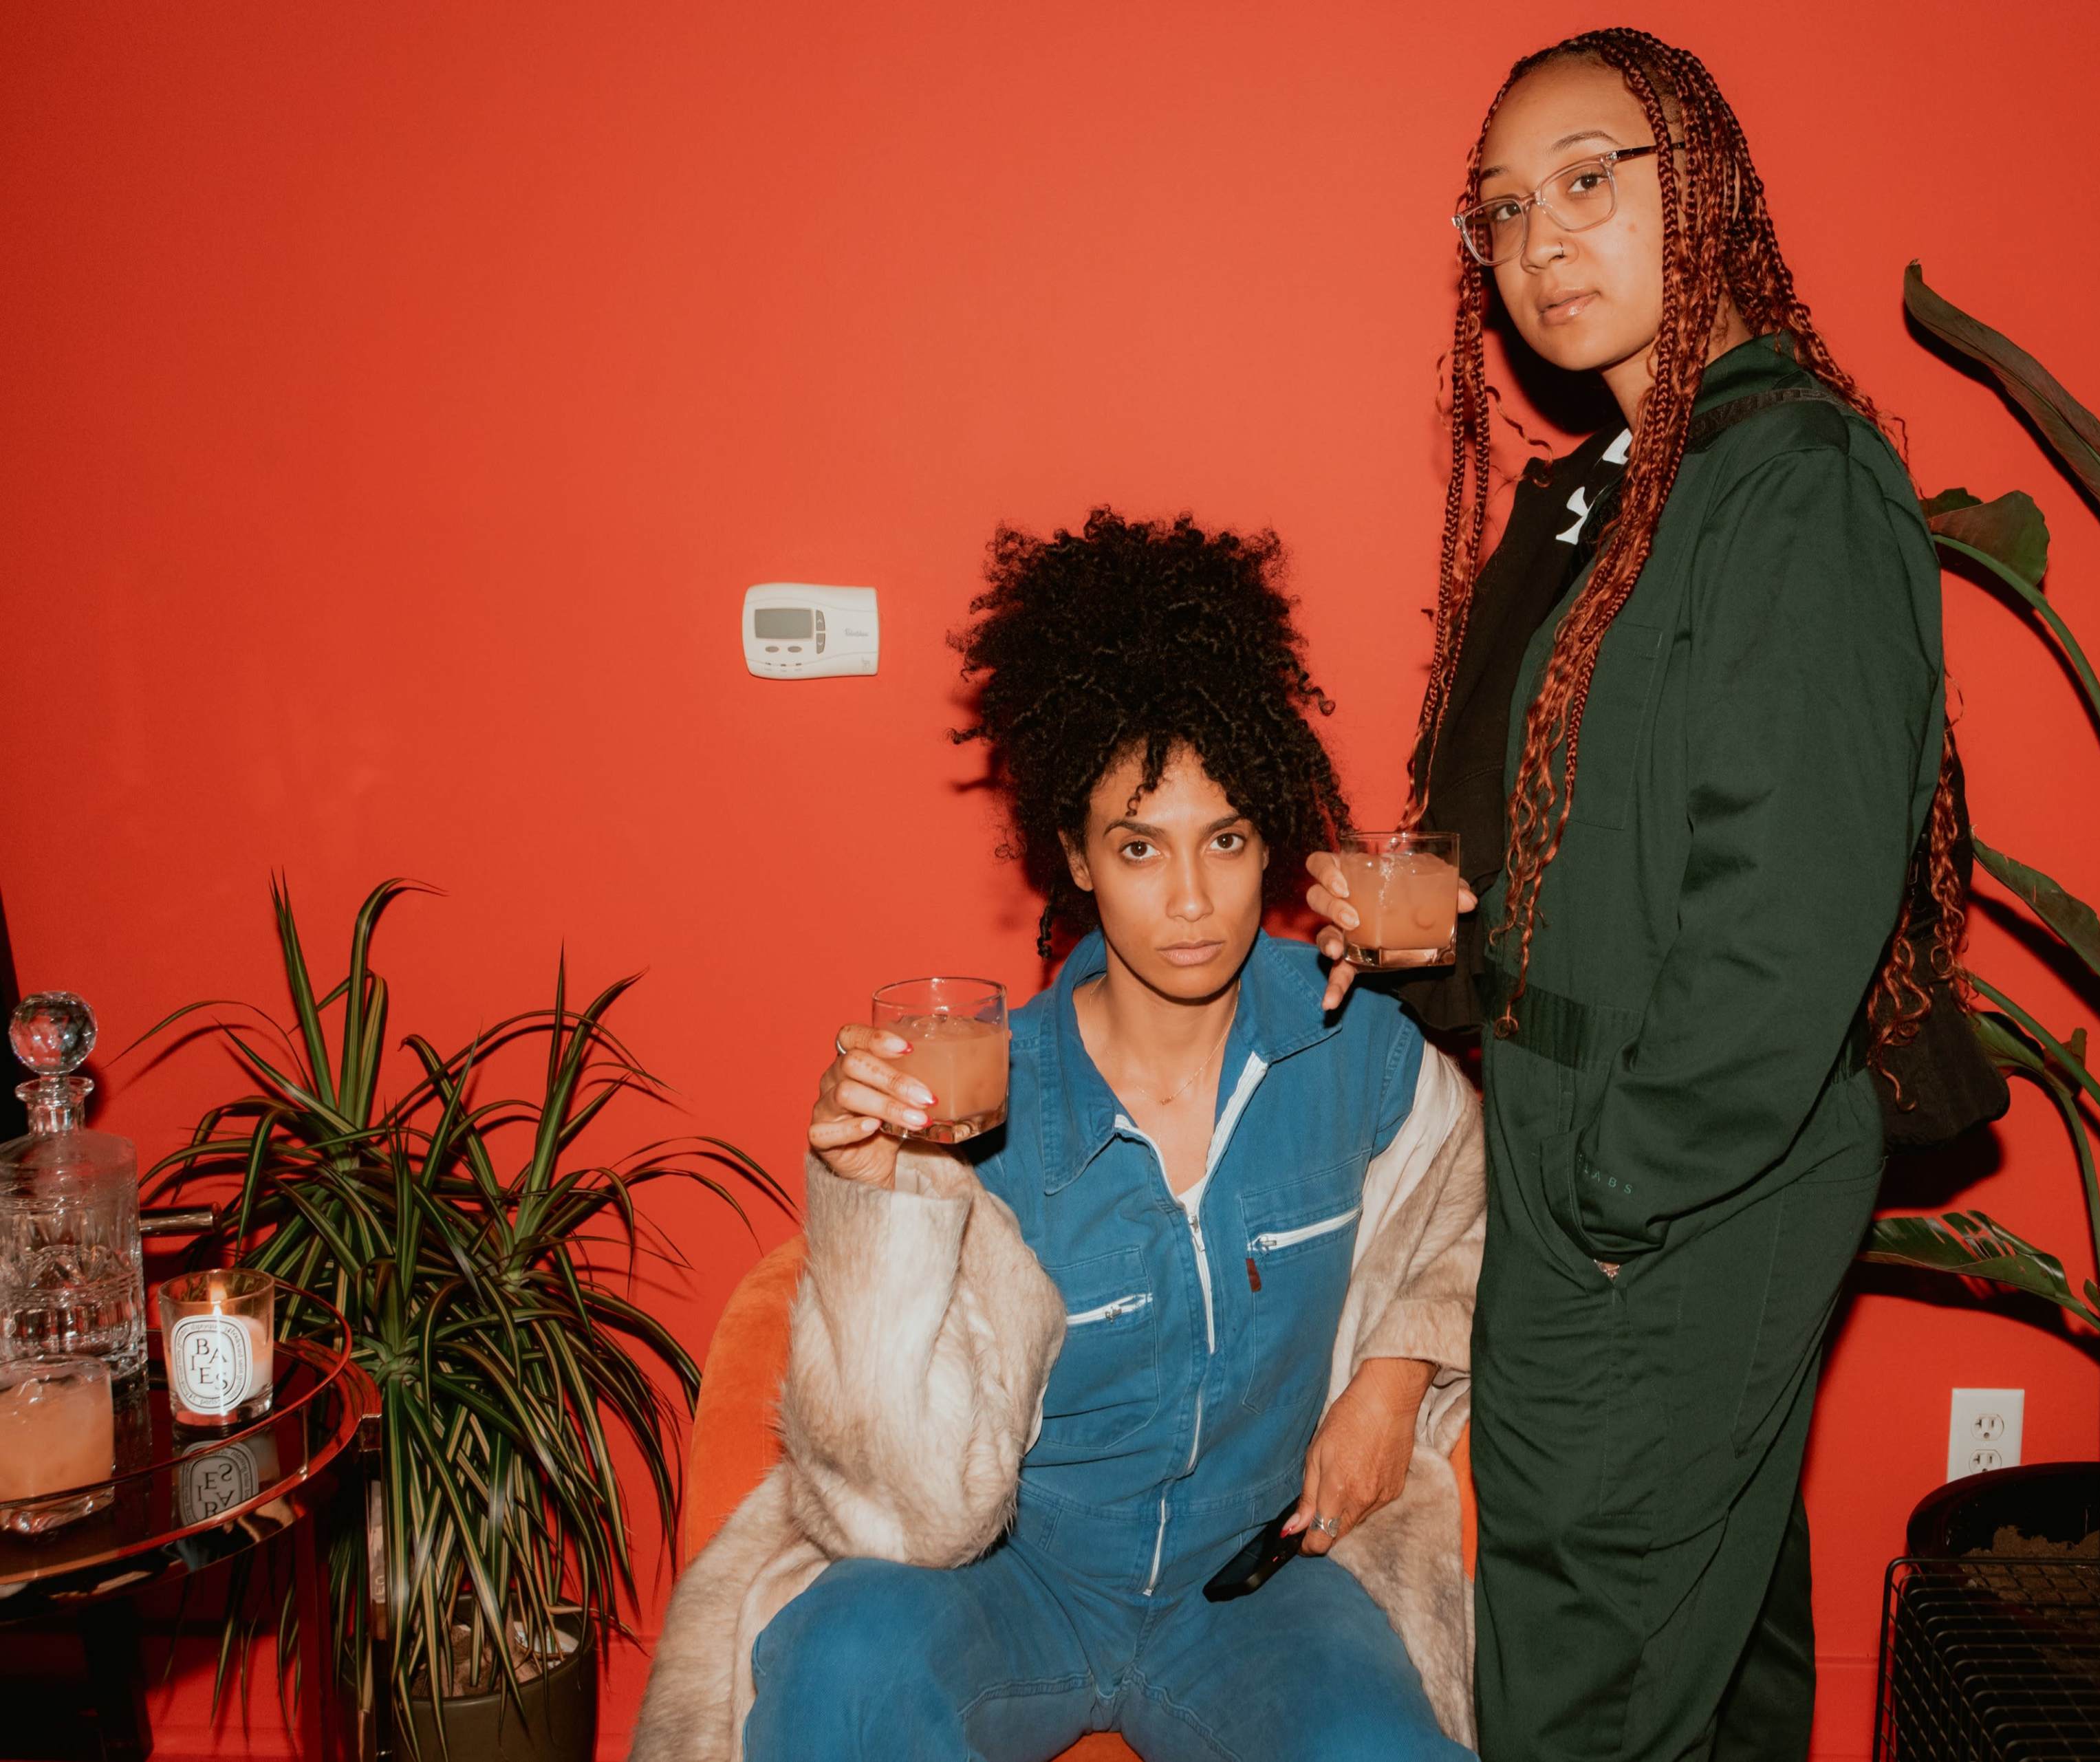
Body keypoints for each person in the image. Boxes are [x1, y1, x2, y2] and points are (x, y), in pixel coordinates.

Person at [1307, 28, 1957, 1761]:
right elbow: (1609, 854)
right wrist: (1447, 927)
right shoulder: (1619, 487)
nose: (1540, 243)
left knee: (1580, 1676)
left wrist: (1612, 1191)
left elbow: (1785, 915)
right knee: (1712, 1656)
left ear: (1710, 186)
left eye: (1590, 181)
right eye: (1502, 211)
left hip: (1667, 1176)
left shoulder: (1792, 481)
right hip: (1602, 1140)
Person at [640, 511, 1484, 1762]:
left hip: (1254, 1591)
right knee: (839, 1658)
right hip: (1013, 1585)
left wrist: (1392, 1375)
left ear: (1274, 847)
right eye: (1140, 847)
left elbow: (1465, 1216)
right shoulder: (988, 1099)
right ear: (1078, 858)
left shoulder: (1349, 1049)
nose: (1192, 900)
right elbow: (912, 1503)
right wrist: (878, 1201)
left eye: (1228, 841)